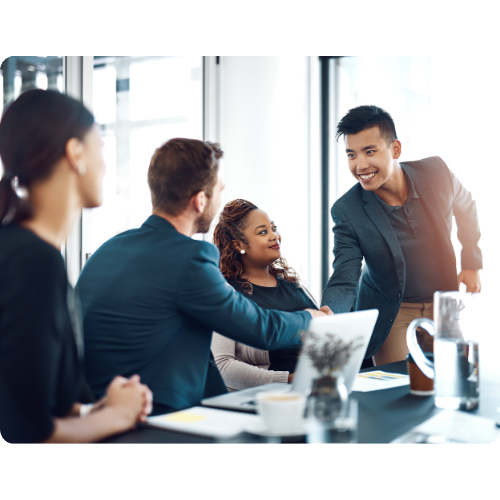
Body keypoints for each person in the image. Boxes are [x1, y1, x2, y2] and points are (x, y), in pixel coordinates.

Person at [76, 138, 327, 415]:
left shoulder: (109, 249)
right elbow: (259, 329)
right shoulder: (190, 257)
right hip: (156, 416)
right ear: (200, 200)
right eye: (218, 191)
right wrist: (310, 319)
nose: (219, 201)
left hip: (98, 411)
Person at [0, 89, 152, 444]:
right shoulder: (33, 261)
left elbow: (32, 404)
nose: (104, 165)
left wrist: (102, 408)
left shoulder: (31, 254)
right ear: (76, 154)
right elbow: (27, 434)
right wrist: (117, 415)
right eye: (100, 148)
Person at [321, 105, 482, 366]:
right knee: (395, 388)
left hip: (443, 304)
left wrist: (471, 262)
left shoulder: (437, 172)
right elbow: (345, 275)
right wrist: (328, 314)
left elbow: (467, 207)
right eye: (352, 155)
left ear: (395, 149)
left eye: (369, 151)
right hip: (392, 312)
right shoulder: (347, 210)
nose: (360, 165)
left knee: (454, 377)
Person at [211, 199, 330, 391]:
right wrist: (290, 380)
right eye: (263, 232)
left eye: (274, 228)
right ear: (238, 244)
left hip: (316, 386)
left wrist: (330, 326)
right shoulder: (226, 292)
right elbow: (223, 366)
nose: (274, 236)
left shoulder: (294, 285)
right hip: (269, 396)